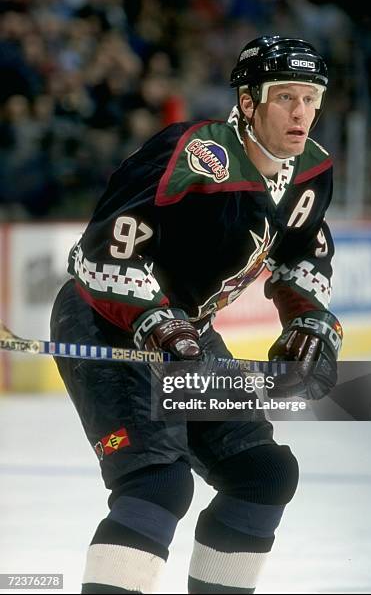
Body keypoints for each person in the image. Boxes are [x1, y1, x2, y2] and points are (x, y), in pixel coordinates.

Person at [51, 36, 343, 594]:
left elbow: (304, 249)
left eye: (311, 99)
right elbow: (98, 254)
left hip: (186, 333)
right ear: (249, 102)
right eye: (286, 97)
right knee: (158, 484)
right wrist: (157, 320)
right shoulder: (193, 156)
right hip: (106, 325)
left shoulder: (311, 170)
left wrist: (308, 318)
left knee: (263, 475)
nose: (302, 113)